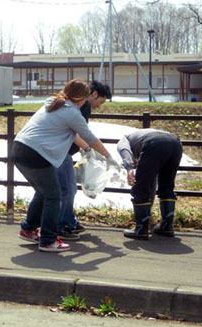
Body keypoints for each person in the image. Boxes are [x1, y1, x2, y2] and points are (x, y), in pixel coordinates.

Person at [11, 79, 120, 252]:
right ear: (82, 98)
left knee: (43, 192)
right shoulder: (72, 113)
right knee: (54, 196)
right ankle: (48, 240)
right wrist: (108, 157)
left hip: (19, 149)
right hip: (36, 155)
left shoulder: (52, 102)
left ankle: (28, 229)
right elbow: (90, 138)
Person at [56, 80, 112, 241]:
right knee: (67, 189)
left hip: (61, 151)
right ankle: (62, 225)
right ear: (93, 94)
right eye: (100, 101)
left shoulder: (69, 105)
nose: (99, 105)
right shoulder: (83, 105)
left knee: (66, 188)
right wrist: (89, 149)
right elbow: (77, 132)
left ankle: (67, 221)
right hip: (61, 152)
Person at [116, 128, 183, 240]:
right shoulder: (141, 135)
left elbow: (124, 150)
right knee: (167, 186)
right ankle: (167, 226)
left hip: (154, 143)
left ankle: (141, 229)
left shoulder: (124, 139)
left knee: (140, 188)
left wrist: (129, 168)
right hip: (175, 143)